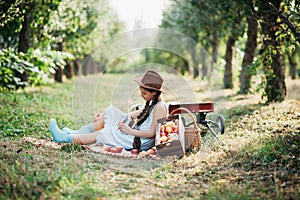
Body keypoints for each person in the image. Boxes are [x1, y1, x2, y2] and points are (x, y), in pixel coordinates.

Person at [49, 70, 167, 151]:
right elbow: (131, 115)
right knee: (111, 111)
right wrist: (103, 118)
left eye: (144, 93)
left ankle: (65, 138)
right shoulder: (152, 103)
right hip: (135, 133)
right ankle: (77, 132)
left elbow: (152, 133)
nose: (142, 95)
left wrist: (129, 131)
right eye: (141, 92)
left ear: (154, 92)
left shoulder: (159, 108)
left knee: (103, 134)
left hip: (138, 140)